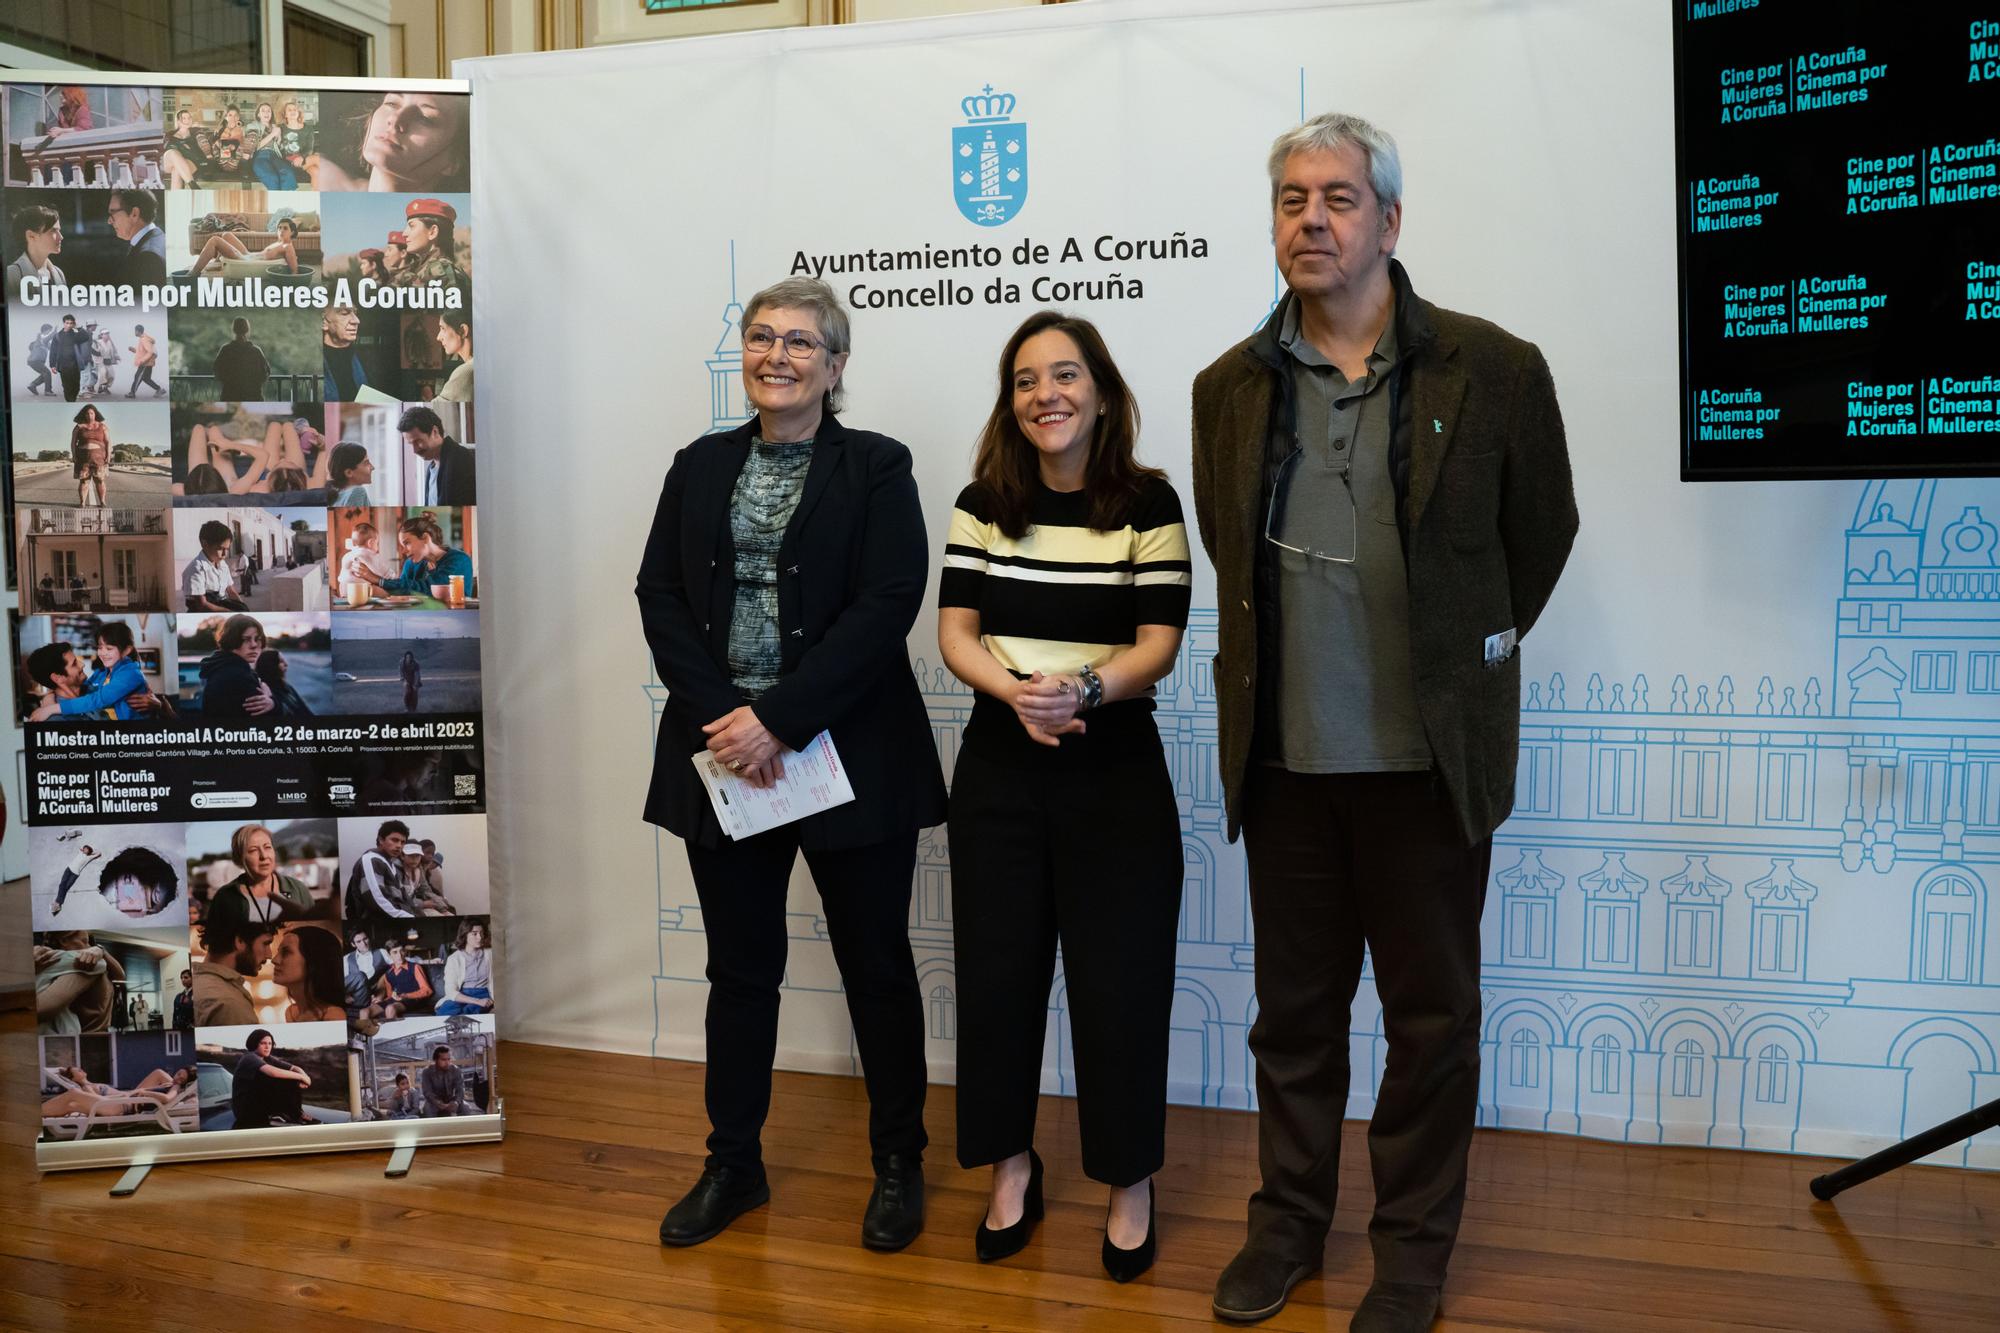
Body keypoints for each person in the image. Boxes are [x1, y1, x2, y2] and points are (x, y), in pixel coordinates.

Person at [1192, 114, 1579, 1331]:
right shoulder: (1228, 389)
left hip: (1426, 769)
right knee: (1291, 1023)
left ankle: (1409, 1255)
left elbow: (1541, 534)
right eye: (1291, 201)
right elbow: (1228, 553)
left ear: (1389, 221)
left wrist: (1452, 657)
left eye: (1339, 199)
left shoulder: (1492, 366)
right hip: (1288, 760)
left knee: (1428, 1026)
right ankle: (1288, 1228)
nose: (1312, 220)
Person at [636, 276, 945, 1254]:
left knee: (876, 970)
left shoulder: (877, 466)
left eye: (801, 342)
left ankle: (898, 1161)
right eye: (762, 337)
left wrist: (779, 718)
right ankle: (734, 1162)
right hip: (726, 757)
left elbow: (889, 599)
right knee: (740, 972)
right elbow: (657, 594)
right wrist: (727, 721)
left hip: (846, 753)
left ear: (835, 364)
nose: (778, 354)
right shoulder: (697, 464)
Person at [936, 311, 1190, 1281]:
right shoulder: (979, 501)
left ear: (1102, 390)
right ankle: (1010, 1167)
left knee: (1120, 986)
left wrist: (1078, 691)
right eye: (1025, 378)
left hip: (1114, 764)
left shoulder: (1148, 503)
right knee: (998, 980)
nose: (1046, 393)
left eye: (1066, 374)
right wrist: (1017, 696)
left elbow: (1157, 640)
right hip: (1001, 765)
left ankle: (1130, 1181)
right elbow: (955, 630)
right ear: (1010, 401)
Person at [317, 91, 469, 193]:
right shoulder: (317, 178)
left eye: (425, 118)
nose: (395, 119)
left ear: (454, 161)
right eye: (391, 104)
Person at [32, 621, 165, 724]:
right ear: (57, 678)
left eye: (109, 648)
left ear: (126, 650)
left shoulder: (128, 674)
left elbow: (97, 699)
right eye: (100, 648)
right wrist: (49, 697)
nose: (83, 664)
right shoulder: (102, 675)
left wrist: (51, 707)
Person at [210, 824, 314, 926]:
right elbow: (215, 939)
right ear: (239, 858)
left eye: (267, 847)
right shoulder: (225, 897)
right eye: (253, 850)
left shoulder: (298, 889)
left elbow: (318, 932)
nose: (264, 856)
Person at [192, 901, 276, 1027]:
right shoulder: (229, 1003)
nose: (269, 955)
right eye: (266, 943)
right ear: (240, 941)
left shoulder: (198, 983)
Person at [362, 511, 475, 599]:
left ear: (425, 538)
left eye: (407, 543)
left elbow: (432, 589)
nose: (403, 551)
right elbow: (402, 590)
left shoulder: (459, 560)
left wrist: (379, 580)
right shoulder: (410, 564)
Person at [34, 932, 124, 1035]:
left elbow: (120, 976)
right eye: (85, 941)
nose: (89, 947)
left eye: (89, 943)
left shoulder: (88, 964)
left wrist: (100, 950)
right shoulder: (81, 965)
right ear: (63, 941)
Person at [195, 614, 282, 718]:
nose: (254, 645)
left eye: (257, 639)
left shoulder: (218, 665)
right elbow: (268, 723)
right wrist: (272, 701)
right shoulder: (240, 676)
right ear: (231, 640)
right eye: (246, 639)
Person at [230, 1029, 315, 1128]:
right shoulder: (249, 1057)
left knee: (290, 1077)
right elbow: (273, 1072)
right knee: (283, 1078)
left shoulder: (267, 1058)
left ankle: (291, 1113)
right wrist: (301, 1077)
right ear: (254, 1043)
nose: (267, 1047)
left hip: (256, 1101)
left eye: (270, 1043)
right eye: (263, 1043)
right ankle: (290, 1114)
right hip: (244, 1109)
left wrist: (305, 1077)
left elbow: (293, 1068)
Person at [42, 1065, 192, 1119]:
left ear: (184, 1082)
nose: (177, 1078)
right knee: (71, 1105)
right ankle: (42, 1113)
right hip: (120, 1101)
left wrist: (146, 1092)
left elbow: (167, 1098)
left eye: (182, 1078)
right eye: (178, 1073)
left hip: (119, 1106)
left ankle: (39, 1111)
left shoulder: (175, 1087)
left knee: (73, 1094)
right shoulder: (170, 1083)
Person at [397, 404, 476, 505]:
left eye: (418, 441)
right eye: (411, 444)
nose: (414, 450)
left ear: (435, 432)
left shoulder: (461, 459)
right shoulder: (432, 467)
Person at [393, 198, 470, 298]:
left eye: (411, 226)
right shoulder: (424, 270)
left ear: (433, 232)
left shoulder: (443, 273)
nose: (404, 233)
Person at [187, 215, 301, 278]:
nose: (281, 230)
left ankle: (195, 272)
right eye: (279, 228)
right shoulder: (280, 243)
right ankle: (221, 264)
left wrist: (293, 275)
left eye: (285, 228)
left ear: (292, 232)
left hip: (246, 261)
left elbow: (294, 271)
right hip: (248, 255)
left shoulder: (287, 247)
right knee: (227, 234)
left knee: (215, 240)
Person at [273, 925, 344, 1023]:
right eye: (278, 952)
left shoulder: (334, 1015)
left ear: (313, 960)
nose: (274, 960)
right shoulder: (291, 1012)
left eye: (286, 952)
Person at [183, 521, 250, 613]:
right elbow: (202, 605)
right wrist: (229, 613)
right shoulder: (196, 569)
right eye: (220, 549)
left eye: (227, 549)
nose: (224, 554)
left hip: (222, 604)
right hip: (204, 611)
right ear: (205, 544)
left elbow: (231, 591)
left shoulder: (223, 565)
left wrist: (242, 608)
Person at [106, 189, 166, 287]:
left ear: (134, 214)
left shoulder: (148, 256)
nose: (109, 221)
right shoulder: (158, 238)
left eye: (113, 213)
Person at [6, 202, 64, 302]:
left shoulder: (58, 273)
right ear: (31, 236)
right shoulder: (11, 275)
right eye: (53, 231)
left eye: (59, 230)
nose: (61, 237)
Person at [435, 919, 493, 1016]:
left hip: (484, 992)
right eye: (474, 934)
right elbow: (450, 991)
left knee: (470, 1012)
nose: (480, 937)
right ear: (465, 935)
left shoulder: (490, 954)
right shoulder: (454, 959)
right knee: (445, 1012)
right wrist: (477, 1001)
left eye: (482, 933)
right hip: (462, 994)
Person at [212, 318, 271, 401]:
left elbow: (216, 369)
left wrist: (228, 381)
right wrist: (255, 383)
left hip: (230, 395)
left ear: (233, 330)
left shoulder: (225, 350)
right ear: (247, 330)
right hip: (253, 396)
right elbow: (266, 371)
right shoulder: (256, 351)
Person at [322, 305, 367, 400]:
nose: (356, 320)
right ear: (324, 322)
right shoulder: (308, 365)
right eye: (345, 313)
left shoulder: (366, 360)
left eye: (355, 313)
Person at [254, 648, 315, 716]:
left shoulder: (286, 686)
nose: (286, 664)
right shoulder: (266, 693)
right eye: (281, 661)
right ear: (271, 665)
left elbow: (305, 710)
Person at [378, 941, 432, 1017]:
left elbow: (427, 990)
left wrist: (406, 995)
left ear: (405, 951)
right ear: (389, 955)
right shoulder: (388, 974)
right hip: (397, 1001)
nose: (399, 955)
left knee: (390, 1008)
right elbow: (391, 996)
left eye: (401, 951)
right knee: (365, 1011)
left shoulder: (415, 967)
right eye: (395, 952)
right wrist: (380, 1000)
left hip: (413, 999)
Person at [343, 928, 389, 1016]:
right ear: (353, 944)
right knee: (360, 976)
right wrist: (344, 995)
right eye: (359, 941)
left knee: (361, 976)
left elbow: (398, 963)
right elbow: (343, 982)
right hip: (355, 996)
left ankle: (360, 1013)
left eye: (365, 939)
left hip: (373, 994)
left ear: (369, 938)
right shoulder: (347, 958)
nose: (364, 944)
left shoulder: (381, 952)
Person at [70, 405, 109, 507]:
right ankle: (82, 502)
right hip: (83, 459)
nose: (90, 415)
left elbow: (108, 442)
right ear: (84, 415)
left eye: (92, 413)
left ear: (95, 414)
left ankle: (102, 502)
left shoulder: (102, 426)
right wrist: (74, 455)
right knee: (84, 481)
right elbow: (73, 443)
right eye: (87, 413)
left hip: (99, 459)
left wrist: (108, 456)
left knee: (100, 480)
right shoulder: (79, 427)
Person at [159, 107, 209, 188]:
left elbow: (204, 145)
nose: (187, 120)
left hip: (190, 162)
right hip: (168, 163)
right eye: (184, 118)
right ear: (178, 121)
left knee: (177, 170)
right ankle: (193, 186)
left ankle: (187, 190)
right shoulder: (169, 135)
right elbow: (162, 151)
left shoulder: (196, 132)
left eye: (189, 118)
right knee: (172, 152)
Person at [51, 313, 93, 402]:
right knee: (66, 386)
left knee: (76, 386)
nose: (69, 325)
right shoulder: (58, 336)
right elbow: (53, 351)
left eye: (71, 323)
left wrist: (77, 327)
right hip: (63, 365)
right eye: (67, 323)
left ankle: (72, 399)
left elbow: (86, 337)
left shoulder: (75, 334)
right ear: (64, 323)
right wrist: (52, 365)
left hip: (75, 365)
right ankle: (70, 401)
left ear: (73, 324)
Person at [420, 1044, 471, 1116]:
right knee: (427, 1109)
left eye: (449, 1059)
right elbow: (427, 1092)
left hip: (451, 1100)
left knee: (466, 1108)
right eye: (443, 1060)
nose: (447, 1062)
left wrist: (456, 1101)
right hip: (434, 1102)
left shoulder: (455, 1070)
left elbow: (460, 1089)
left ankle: (461, 1127)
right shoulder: (427, 1072)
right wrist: (437, 1102)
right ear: (436, 1060)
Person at [434, 311, 473, 403]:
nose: (438, 337)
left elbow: (432, 409)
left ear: (463, 330)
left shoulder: (466, 371)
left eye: (443, 328)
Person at [127, 324, 162, 397]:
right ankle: (159, 389)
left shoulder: (144, 339)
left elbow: (150, 352)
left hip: (145, 363)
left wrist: (142, 361)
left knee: (137, 376)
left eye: (135, 331)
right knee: (146, 379)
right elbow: (143, 352)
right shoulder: (143, 338)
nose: (134, 332)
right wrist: (134, 350)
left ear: (138, 331)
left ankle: (132, 393)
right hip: (148, 363)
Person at [27, 322, 55, 396]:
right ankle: (48, 391)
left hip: (35, 361)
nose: (50, 332)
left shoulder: (46, 342)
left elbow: (52, 348)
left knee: (45, 374)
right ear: (45, 330)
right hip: (35, 360)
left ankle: (32, 385)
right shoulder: (40, 337)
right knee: (47, 373)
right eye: (49, 331)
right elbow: (46, 339)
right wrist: (54, 333)